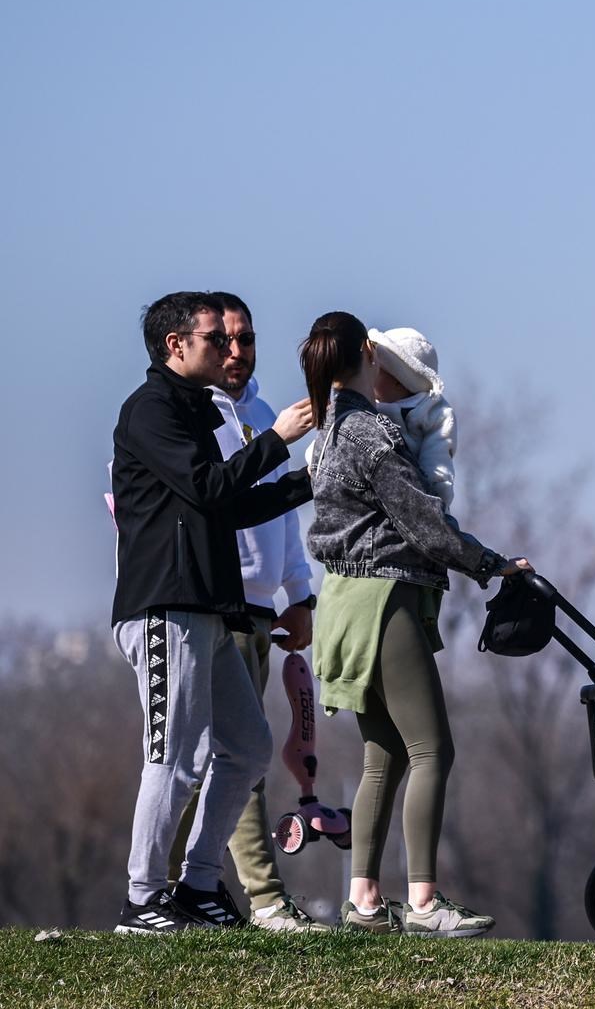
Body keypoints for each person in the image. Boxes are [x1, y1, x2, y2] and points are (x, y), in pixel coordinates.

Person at [299, 311, 531, 937]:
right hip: (385, 598)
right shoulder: (372, 434)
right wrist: (490, 563)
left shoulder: (325, 434)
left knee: (384, 756)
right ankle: (425, 903)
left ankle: (365, 903)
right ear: (368, 356)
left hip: (341, 604)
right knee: (433, 749)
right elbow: (421, 519)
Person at [110, 292, 316, 934]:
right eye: (215, 340)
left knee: (250, 747)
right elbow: (207, 488)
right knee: (172, 758)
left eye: (236, 341)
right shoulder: (150, 409)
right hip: (164, 607)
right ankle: (143, 898)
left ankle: (198, 886)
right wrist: (279, 439)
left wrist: (312, 476)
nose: (232, 350)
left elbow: (227, 505)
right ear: (175, 346)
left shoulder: (196, 411)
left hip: (207, 609)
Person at [368, 326, 456, 510]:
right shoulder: (365, 407)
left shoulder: (434, 412)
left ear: (399, 380)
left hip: (417, 506)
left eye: (377, 367)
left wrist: (435, 509)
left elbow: (437, 464)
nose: (369, 372)